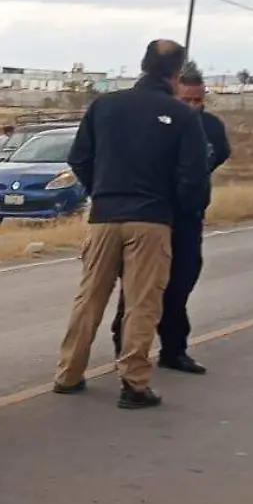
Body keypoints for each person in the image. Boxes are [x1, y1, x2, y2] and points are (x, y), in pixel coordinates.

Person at [52, 39, 209, 409]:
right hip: (152, 220)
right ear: (175, 73)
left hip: (104, 217)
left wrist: (102, 191)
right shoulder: (182, 116)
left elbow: (79, 158)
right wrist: (178, 212)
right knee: (142, 302)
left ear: (142, 65)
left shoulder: (104, 106)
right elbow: (194, 178)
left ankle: (68, 374)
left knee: (89, 297)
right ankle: (134, 383)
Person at [110, 61, 232, 372]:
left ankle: (174, 349)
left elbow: (217, 156)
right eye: (186, 100)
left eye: (198, 100)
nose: (192, 106)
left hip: (189, 219)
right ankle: (124, 347)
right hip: (153, 217)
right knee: (140, 287)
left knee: (181, 283)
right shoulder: (157, 124)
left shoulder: (212, 128)